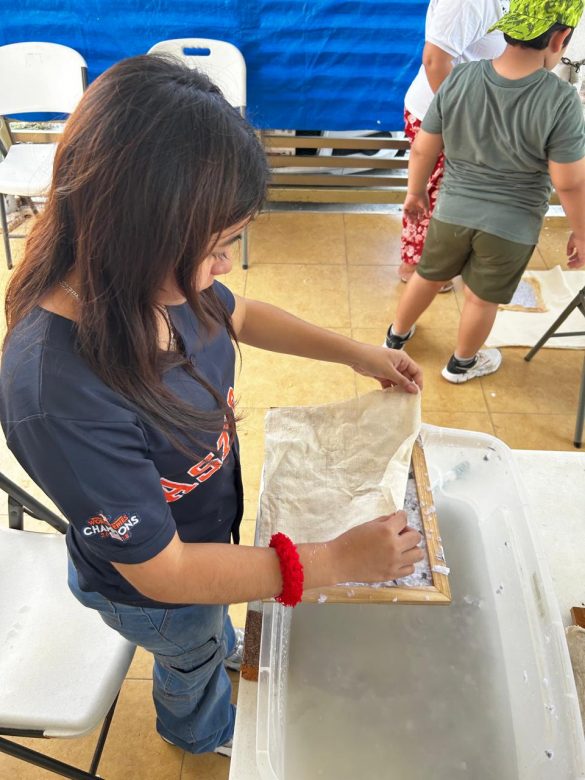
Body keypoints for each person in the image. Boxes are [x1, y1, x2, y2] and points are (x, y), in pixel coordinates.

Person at [0, 55, 425, 757]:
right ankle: (200, 732)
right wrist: (333, 560)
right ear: (140, 233)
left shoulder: (155, 283)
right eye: (219, 245)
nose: (227, 264)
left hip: (201, 540)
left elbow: (242, 314)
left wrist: (357, 353)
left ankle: (215, 645)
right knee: (190, 654)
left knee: (209, 626)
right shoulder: (57, 393)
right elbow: (164, 573)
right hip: (149, 592)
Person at [385, 0, 585, 384]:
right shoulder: (560, 100)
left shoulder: (461, 77)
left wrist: (415, 192)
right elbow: (569, 181)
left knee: (428, 275)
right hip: (511, 227)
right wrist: (580, 231)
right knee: (480, 298)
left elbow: (425, 146)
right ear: (560, 38)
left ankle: (395, 337)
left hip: (451, 212)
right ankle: (461, 363)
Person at [398, 0, 509, 290]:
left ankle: (434, 261)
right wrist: (459, 121)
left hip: (467, 111)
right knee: (433, 193)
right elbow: (435, 60)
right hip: (443, 115)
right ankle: (417, 266)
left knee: (448, 192)